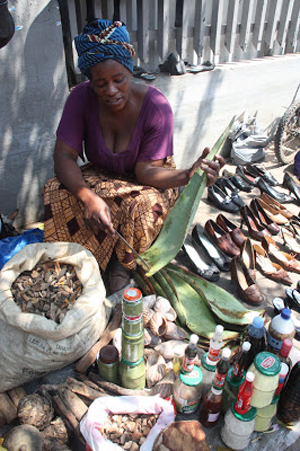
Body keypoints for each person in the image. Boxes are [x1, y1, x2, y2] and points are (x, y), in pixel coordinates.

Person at [43, 19, 224, 294]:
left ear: (130, 69)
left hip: (152, 178)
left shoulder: (155, 107)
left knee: (141, 207)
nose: (111, 91)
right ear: (89, 81)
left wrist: (187, 175)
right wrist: (88, 198)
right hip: (103, 174)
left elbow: (147, 174)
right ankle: (79, 257)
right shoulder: (80, 98)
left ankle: (120, 268)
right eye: (100, 83)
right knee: (55, 189)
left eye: (119, 80)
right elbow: (64, 157)